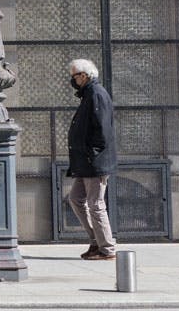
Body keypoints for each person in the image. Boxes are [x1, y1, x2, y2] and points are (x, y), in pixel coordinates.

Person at [66, 57, 118, 260]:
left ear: (84, 76)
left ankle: (107, 248)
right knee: (76, 199)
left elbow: (102, 131)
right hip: (85, 163)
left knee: (95, 204)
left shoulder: (96, 94)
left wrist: (92, 155)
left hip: (94, 163)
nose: (73, 80)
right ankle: (96, 241)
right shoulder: (88, 95)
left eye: (74, 76)